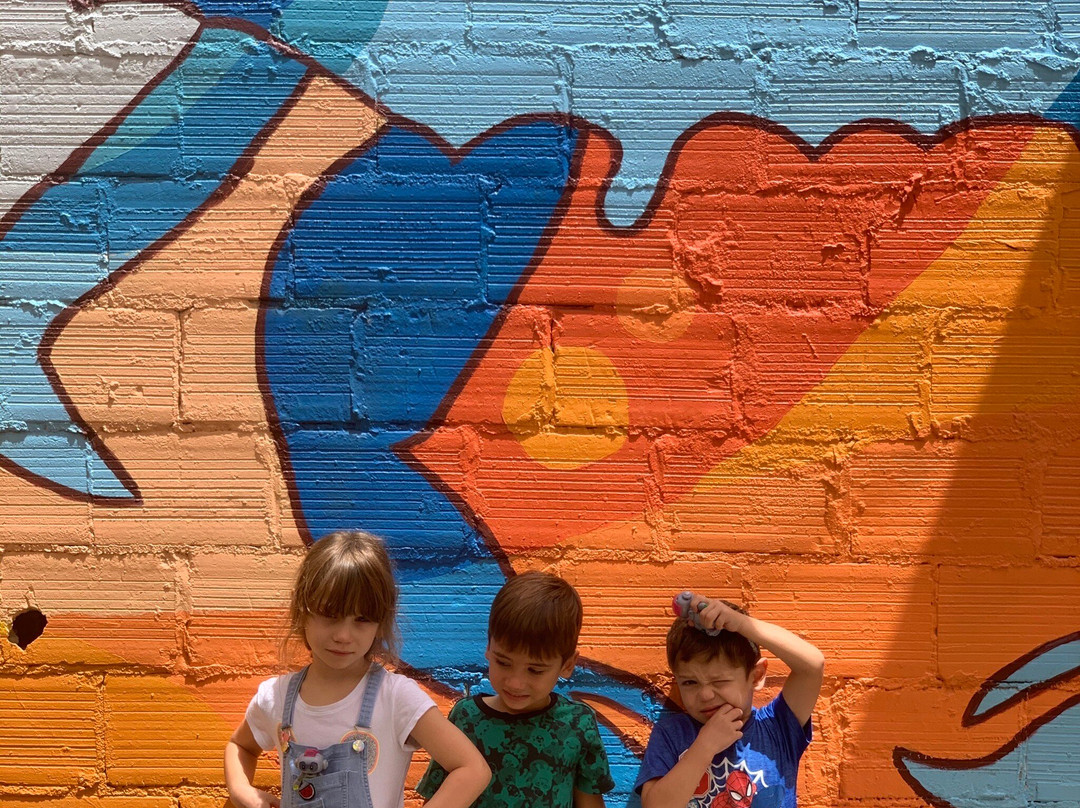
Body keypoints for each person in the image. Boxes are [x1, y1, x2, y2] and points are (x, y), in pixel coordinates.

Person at [223, 531, 491, 808]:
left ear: (381, 620)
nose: (343, 635)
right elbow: (240, 746)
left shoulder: (396, 698)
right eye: (330, 615)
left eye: (362, 619)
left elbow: (471, 769)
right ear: (302, 608)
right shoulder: (275, 697)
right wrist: (242, 791)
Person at [416, 572, 615, 807]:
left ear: (568, 665)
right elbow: (439, 798)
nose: (515, 683)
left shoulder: (578, 724)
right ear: (488, 647)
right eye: (503, 662)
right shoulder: (466, 718)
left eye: (535, 670)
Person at [636, 594, 825, 808]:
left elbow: (813, 666)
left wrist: (739, 623)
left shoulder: (777, 727)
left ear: (756, 676)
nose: (705, 695)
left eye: (720, 681)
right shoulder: (672, 734)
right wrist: (705, 747)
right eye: (690, 682)